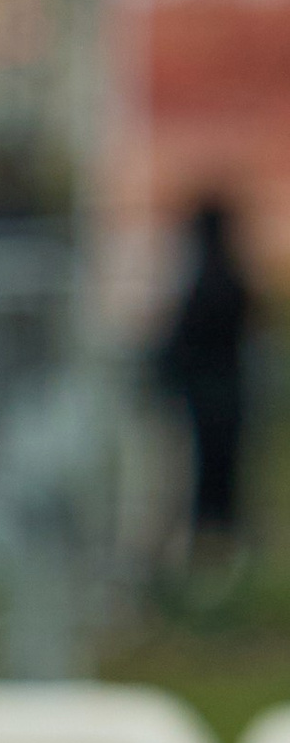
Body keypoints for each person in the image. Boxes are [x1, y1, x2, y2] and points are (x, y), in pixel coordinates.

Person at [151, 193, 260, 555]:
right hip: (229, 393)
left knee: (202, 475)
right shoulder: (234, 278)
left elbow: (180, 345)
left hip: (203, 397)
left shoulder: (204, 282)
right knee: (223, 473)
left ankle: (208, 548)